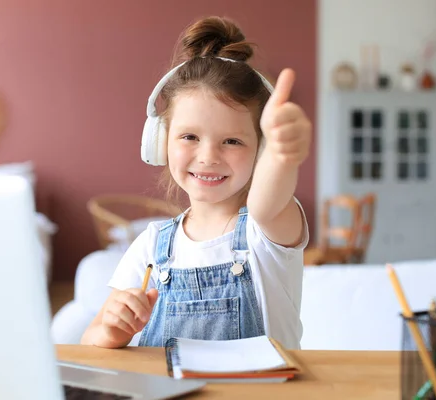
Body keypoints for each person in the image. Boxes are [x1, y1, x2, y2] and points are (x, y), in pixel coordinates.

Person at [81, 16, 312, 350]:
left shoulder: (267, 233)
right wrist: (111, 332)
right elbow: (91, 341)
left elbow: (265, 203)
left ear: (260, 149)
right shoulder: (150, 246)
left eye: (232, 141)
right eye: (189, 136)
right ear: (160, 142)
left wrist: (282, 154)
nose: (208, 156)